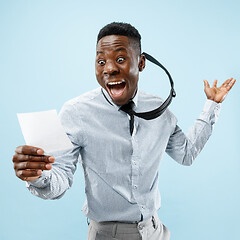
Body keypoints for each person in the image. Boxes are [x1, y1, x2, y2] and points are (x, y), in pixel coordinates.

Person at [12, 22, 236, 240]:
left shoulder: (158, 108)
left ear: (141, 63)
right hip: (107, 235)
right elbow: (58, 181)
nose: (109, 69)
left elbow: (186, 154)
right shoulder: (75, 112)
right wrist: (38, 176)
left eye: (120, 59)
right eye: (101, 61)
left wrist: (212, 106)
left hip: (155, 230)